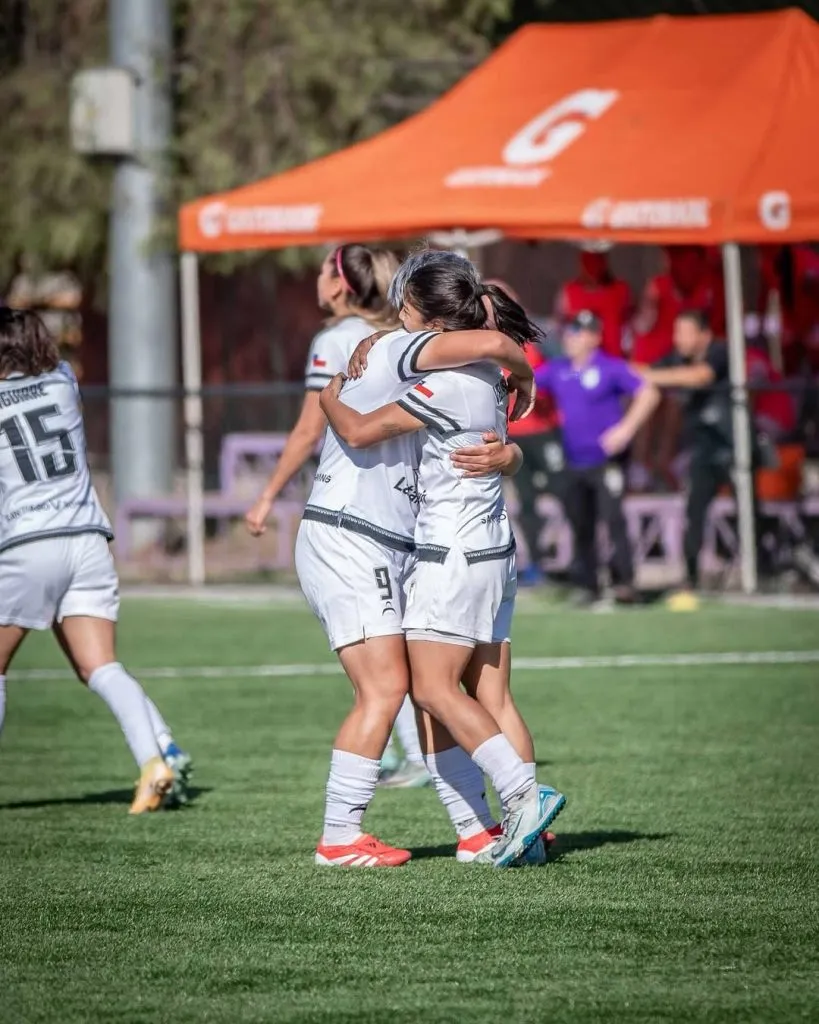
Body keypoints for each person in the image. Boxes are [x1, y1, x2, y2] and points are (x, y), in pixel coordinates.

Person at [320, 250, 565, 869]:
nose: (397, 314)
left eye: (405, 305)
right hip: (494, 551)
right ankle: (511, 836)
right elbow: (500, 424)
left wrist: (329, 399)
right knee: (493, 697)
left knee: (430, 689)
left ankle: (522, 798)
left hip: (452, 552)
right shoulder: (489, 375)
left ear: (430, 318)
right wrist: (512, 449)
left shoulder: (448, 381)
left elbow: (359, 431)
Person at [244, 244, 425, 786]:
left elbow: (310, 428)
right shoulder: (404, 336)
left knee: (382, 664)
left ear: (342, 284)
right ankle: (405, 754)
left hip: (356, 517)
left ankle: (411, 762)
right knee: (386, 654)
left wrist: (267, 495)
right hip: (396, 512)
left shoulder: (337, 339)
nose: (317, 279)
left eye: (325, 270)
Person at [0, 308, 190, 812]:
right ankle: (155, 759)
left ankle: (160, 757)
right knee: (101, 666)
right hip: (87, 540)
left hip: (26, 542)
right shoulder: (63, 381)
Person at [639, 309, 819, 603]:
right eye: (677, 332)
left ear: (704, 334)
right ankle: (691, 577)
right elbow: (642, 371)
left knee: (747, 512)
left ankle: (763, 570)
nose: (678, 339)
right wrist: (635, 373)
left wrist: (652, 376)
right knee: (694, 512)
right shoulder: (676, 358)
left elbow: (701, 377)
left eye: (684, 333)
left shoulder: (721, 352)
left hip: (734, 445)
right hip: (704, 450)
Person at [534, 310, 660, 605]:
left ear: (594, 337)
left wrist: (626, 429)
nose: (571, 338)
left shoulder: (610, 367)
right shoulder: (558, 369)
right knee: (580, 523)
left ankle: (625, 582)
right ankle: (588, 584)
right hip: (573, 459)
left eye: (578, 333)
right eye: (570, 332)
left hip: (606, 460)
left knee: (613, 519)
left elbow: (649, 393)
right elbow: (528, 382)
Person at [485, 279, 563, 588]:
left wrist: (536, 380)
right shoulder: (481, 342)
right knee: (526, 501)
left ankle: (584, 562)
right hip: (513, 436)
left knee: (567, 489)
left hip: (545, 431)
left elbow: (564, 370)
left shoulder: (537, 335)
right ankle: (538, 564)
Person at [556, 248, 632, 358]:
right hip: (580, 361)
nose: (593, 268)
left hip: (613, 358)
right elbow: (560, 325)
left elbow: (630, 325)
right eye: (588, 262)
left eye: (597, 262)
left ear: (604, 262)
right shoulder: (569, 291)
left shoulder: (621, 290)